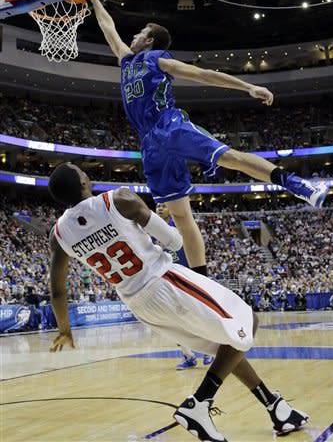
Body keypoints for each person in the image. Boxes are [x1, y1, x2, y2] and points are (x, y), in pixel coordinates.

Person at [48, 163, 309, 442]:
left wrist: (65, 329)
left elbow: (57, 291)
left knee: (229, 345)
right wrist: (163, 218)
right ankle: (198, 405)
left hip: (139, 304)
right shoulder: (119, 198)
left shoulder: (60, 234)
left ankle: (275, 407)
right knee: (248, 321)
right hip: (164, 281)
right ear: (83, 181)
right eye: (81, 170)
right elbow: (174, 242)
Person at [86, 0, 328, 280]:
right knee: (181, 216)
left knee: (231, 158)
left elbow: (202, 75)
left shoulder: (154, 58)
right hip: (150, 142)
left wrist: (247, 87)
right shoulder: (126, 61)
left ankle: (300, 186)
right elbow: (108, 29)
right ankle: (203, 282)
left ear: (150, 40)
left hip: (169, 125)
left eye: (140, 33)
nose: (134, 36)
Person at [156, 202, 214, 370]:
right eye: (157, 206)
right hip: (169, 280)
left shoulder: (179, 226)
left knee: (199, 316)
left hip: (188, 277)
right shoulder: (153, 229)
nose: (159, 208)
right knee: (176, 322)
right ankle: (188, 357)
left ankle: (209, 352)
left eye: (163, 206)